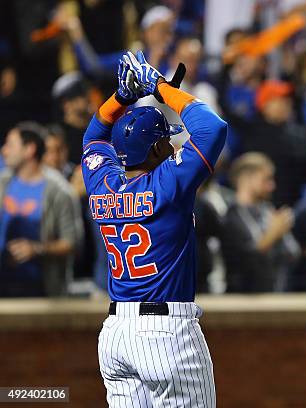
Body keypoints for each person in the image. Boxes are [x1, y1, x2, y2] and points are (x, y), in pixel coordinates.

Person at [83, 51, 226, 406]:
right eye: (167, 140)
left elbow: (93, 137)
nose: (172, 143)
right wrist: (161, 88)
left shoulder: (102, 181)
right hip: (166, 332)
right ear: (158, 146)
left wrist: (121, 96)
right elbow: (213, 127)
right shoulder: (168, 183)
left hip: (116, 332)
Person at [0, 122, 81, 297]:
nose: (4, 151)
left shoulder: (60, 190)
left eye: (10, 145)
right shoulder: (3, 183)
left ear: (29, 149)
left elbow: (73, 242)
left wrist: (36, 249)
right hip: (3, 289)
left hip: (44, 292)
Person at [222, 152, 300, 292]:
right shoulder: (230, 215)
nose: (272, 186)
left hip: (275, 292)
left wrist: (281, 232)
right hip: (243, 298)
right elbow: (245, 262)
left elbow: (293, 254)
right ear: (246, 179)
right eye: (266, 179)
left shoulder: (268, 211)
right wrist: (274, 232)